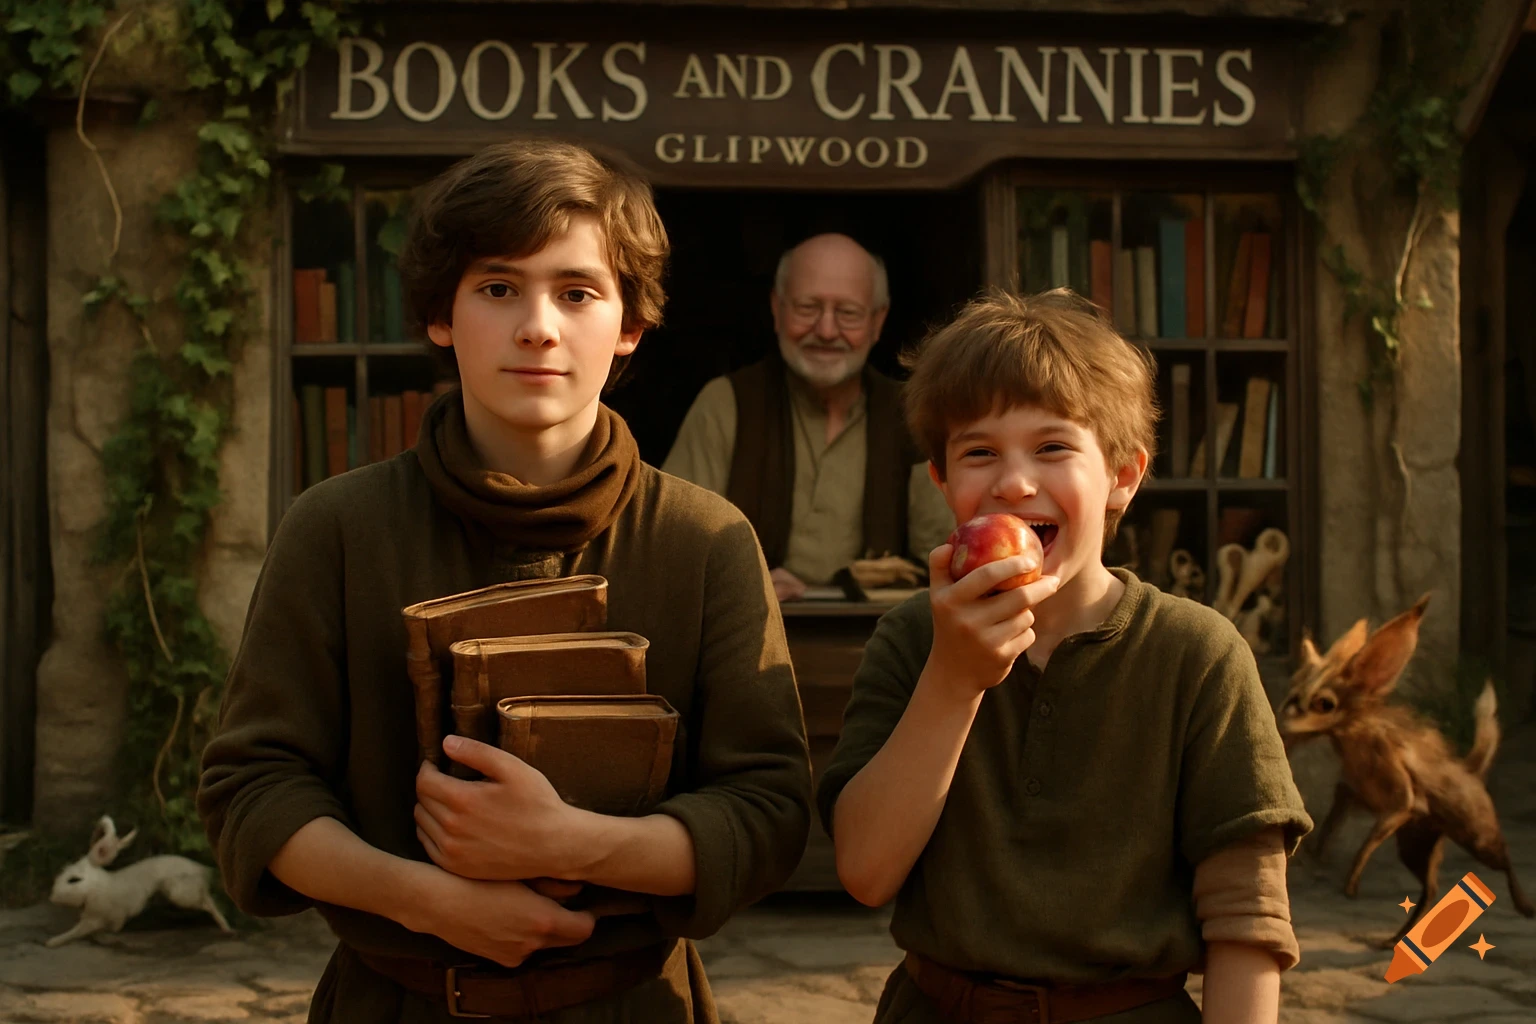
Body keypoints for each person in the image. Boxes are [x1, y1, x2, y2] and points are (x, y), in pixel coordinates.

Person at [198, 140, 812, 1024]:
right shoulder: (334, 529)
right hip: (392, 1004)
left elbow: (767, 810)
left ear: (630, 325)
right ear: (441, 314)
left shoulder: (704, 541)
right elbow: (253, 787)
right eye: (498, 288)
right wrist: (425, 899)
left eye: (577, 292)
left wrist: (581, 845)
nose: (538, 326)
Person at [817, 289, 1312, 1024]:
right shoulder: (911, 639)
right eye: (979, 452)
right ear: (942, 482)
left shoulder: (1197, 656)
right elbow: (865, 870)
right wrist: (953, 682)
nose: (1015, 483)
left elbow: (1247, 917)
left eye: (1053, 447)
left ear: (1122, 476)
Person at [662, 233, 953, 602]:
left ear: (878, 321)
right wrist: (743, 577)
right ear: (777, 309)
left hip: (878, 638)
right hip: (748, 634)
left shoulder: (913, 414)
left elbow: (949, 555)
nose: (827, 331)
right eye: (807, 308)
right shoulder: (726, 404)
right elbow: (672, 547)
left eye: (847, 313)